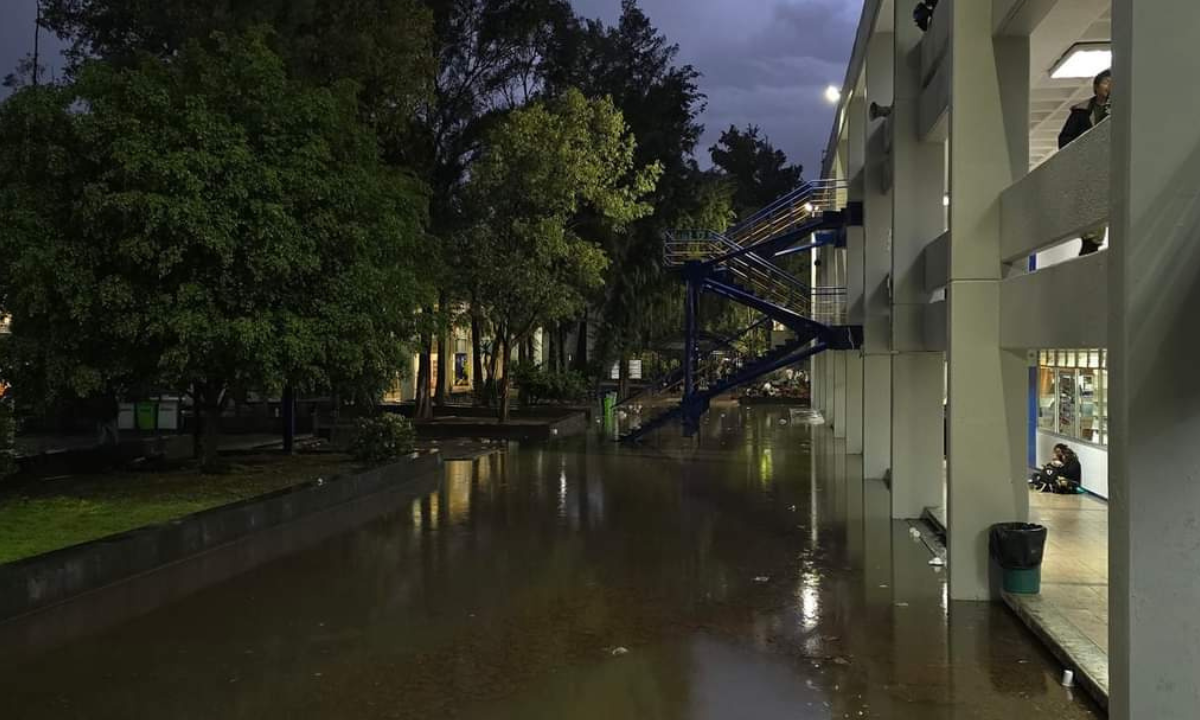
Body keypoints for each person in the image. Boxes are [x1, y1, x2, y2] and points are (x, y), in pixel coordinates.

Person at [1058, 69, 1112, 256]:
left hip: (1109, 166)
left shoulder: (1119, 109)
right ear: (1096, 87)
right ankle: (1090, 241)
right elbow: (1065, 138)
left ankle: (1094, 242)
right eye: (1106, 82)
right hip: (1088, 166)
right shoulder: (1081, 112)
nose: (1110, 86)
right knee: (1090, 205)